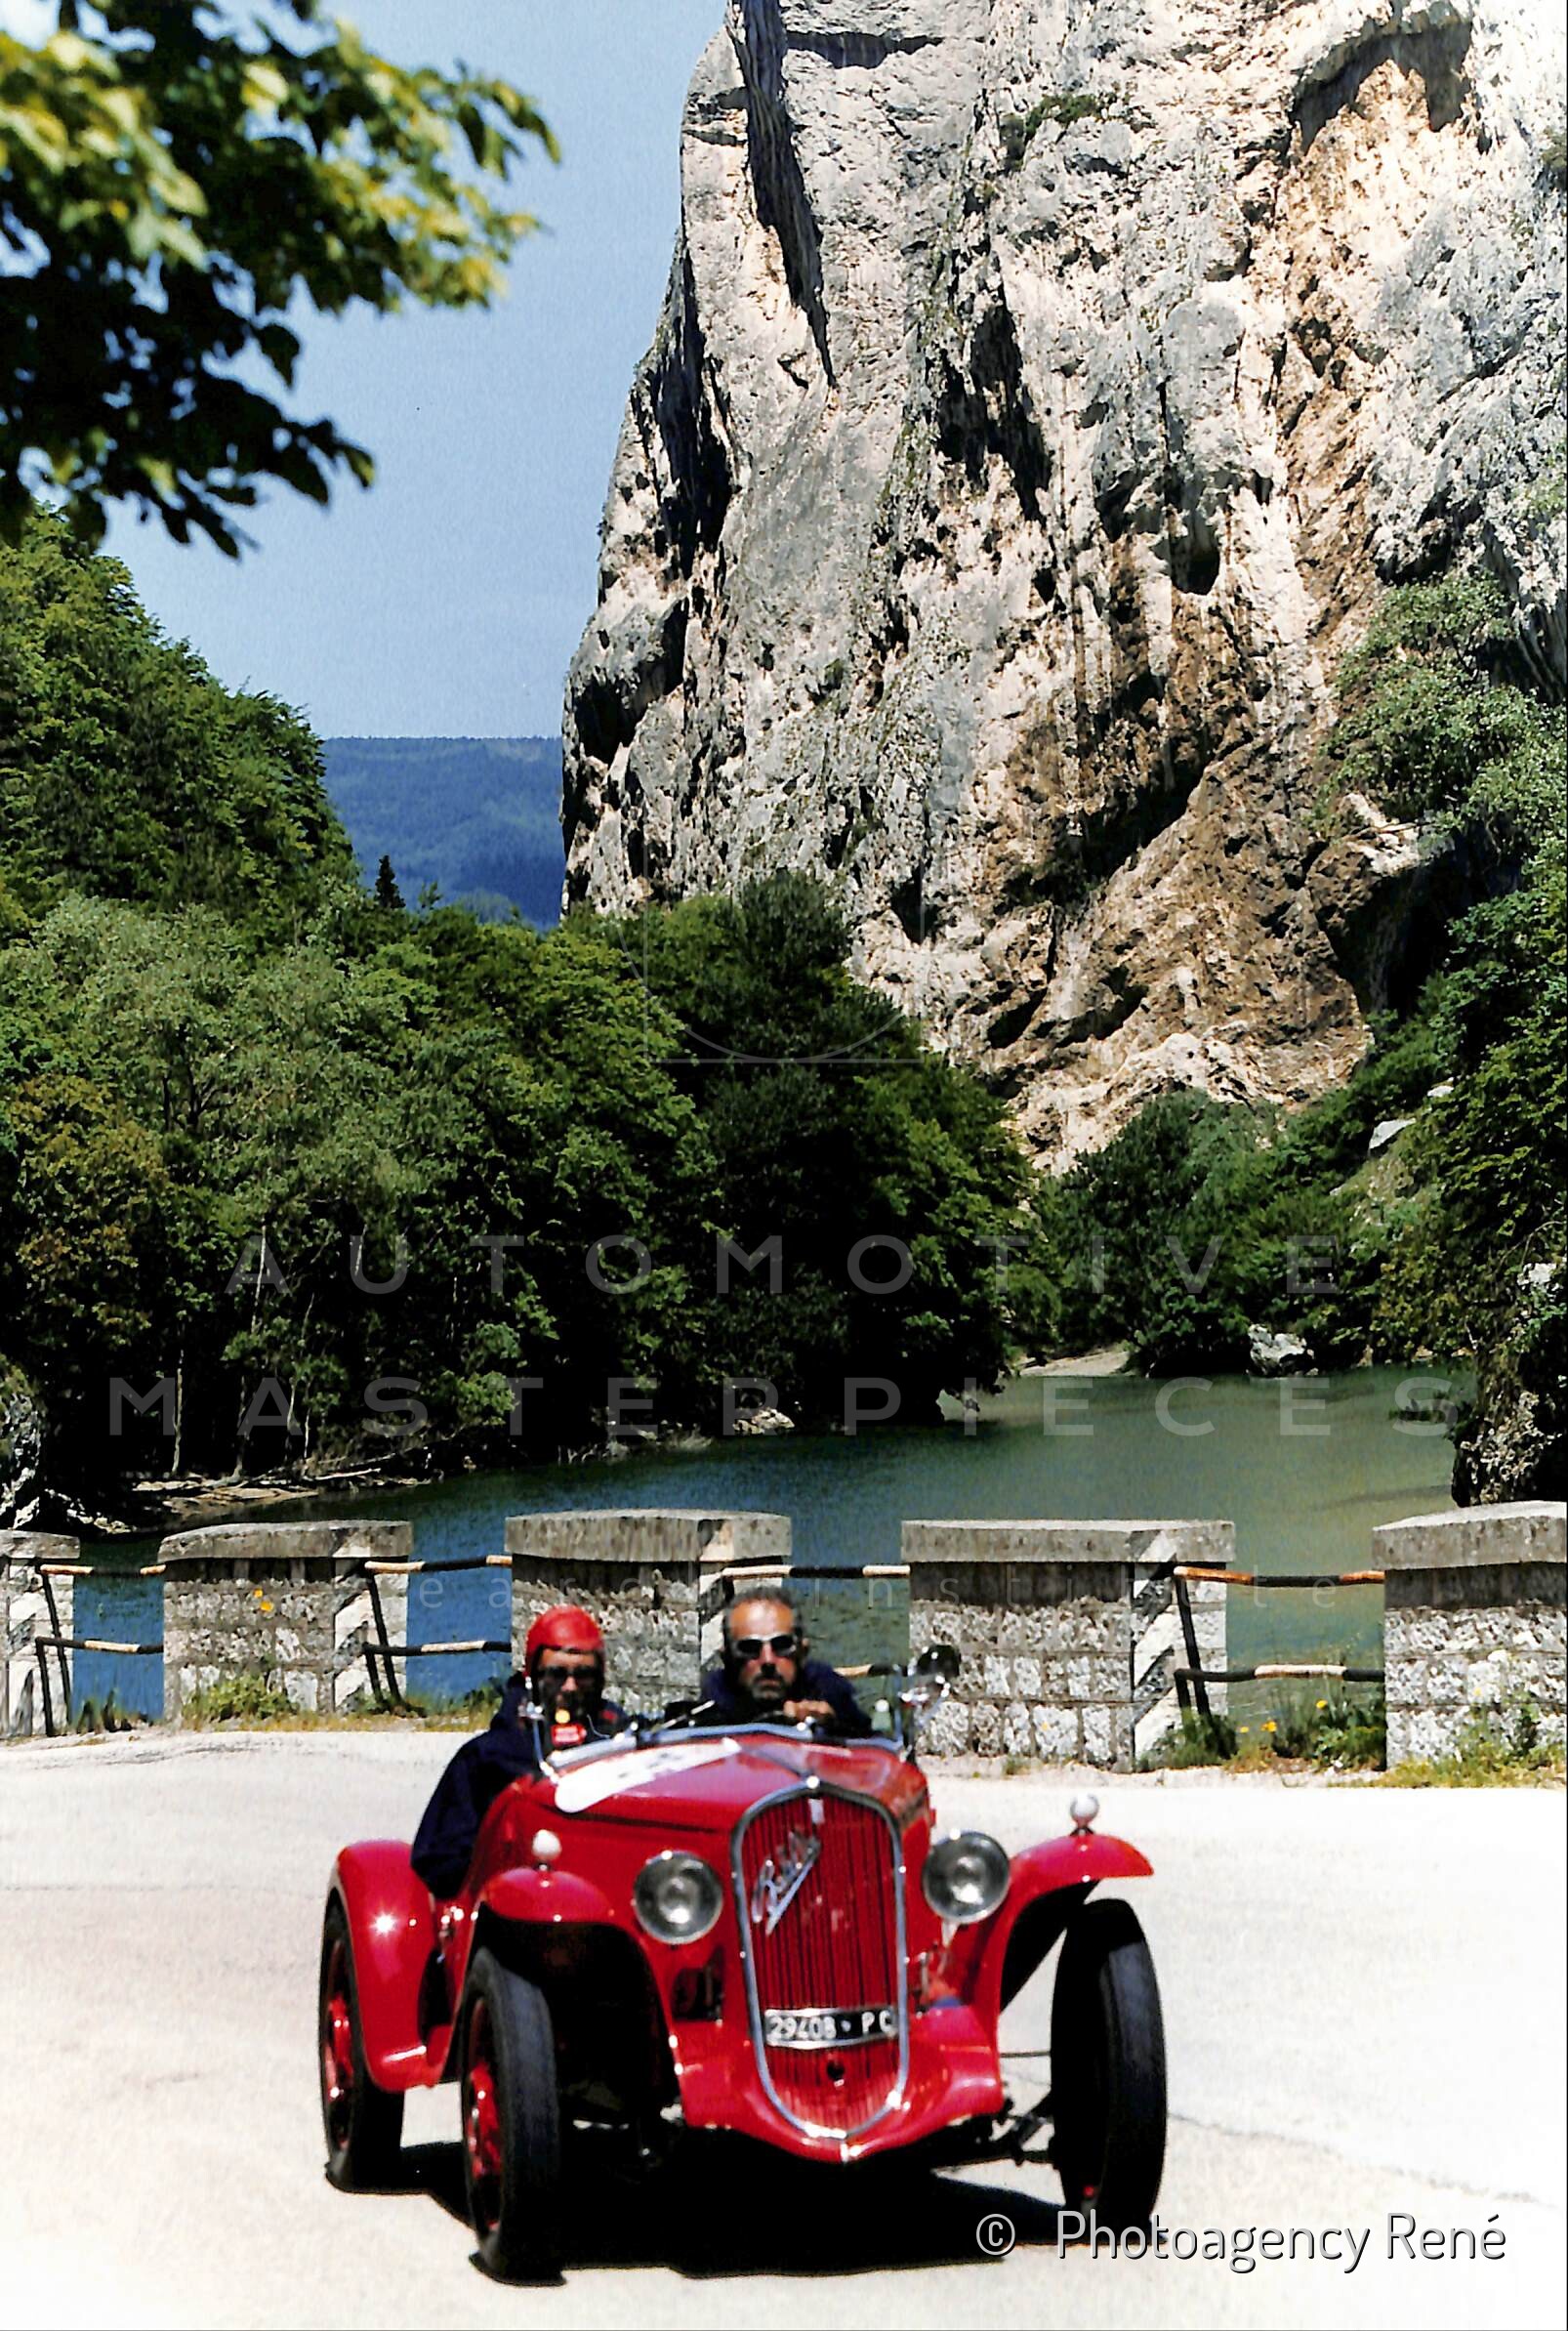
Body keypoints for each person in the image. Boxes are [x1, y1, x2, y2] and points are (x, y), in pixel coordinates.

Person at [410, 1603, 625, 1897]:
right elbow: (438, 1858)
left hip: (605, 1892)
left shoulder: (623, 1743)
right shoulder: (487, 1756)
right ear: (533, 1675)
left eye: (584, 1675)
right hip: (512, 1898)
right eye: (557, 1674)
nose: (570, 1687)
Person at [696, 1592, 872, 1735]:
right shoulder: (712, 1704)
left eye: (781, 1645)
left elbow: (869, 1746)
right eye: (750, 1648)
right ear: (726, 1658)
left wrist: (834, 1726)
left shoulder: (828, 1691)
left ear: (802, 1652)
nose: (768, 1660)